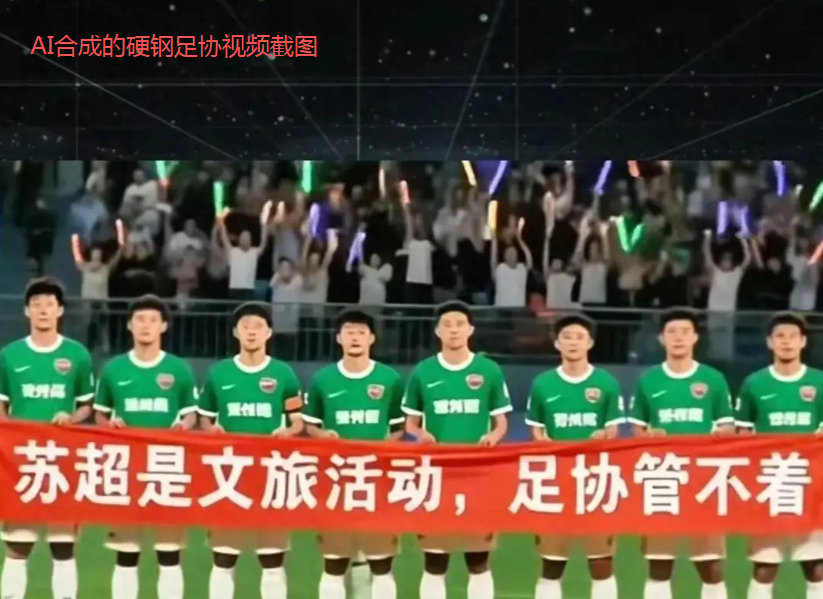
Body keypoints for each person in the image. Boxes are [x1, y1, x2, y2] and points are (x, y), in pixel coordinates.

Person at [402, 300, 512, 599]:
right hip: (437, 474)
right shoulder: (423, 371)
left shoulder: (488, 370)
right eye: (447, 325)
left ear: (470, 330)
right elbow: (411, 423)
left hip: (478, 473)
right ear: (438, 331)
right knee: (435, 559)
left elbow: (501, 421)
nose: (453, 330)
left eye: (459, 324)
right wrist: (420, 434)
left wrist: (494, 435)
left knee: (478, 558)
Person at [93, 294, 198, 599]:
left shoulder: (179, 369)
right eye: (140, 319)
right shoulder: (113, 369)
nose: (146, 325)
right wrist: (108, 424)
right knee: (126, 553)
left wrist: (184, 425)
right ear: (129, 325)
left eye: (153, 320)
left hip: (167, 468)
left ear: (163, 326)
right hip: (127, 468)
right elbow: (100, 413)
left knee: (169, 553)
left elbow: (191, 413)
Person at [625, 307, 734, 599]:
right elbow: (637, 428)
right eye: (672, 332)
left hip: (704, 480)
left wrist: (714, 437)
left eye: (685, 332)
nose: (678, 338)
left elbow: (728, 426)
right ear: (661, 339)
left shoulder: (713, 379)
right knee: (659, 565)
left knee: (711, 565)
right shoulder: (649, 379)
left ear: (695, 337)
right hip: (663, 479)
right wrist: (648, 436)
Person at [197, 301, 304, 599]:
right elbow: (205, 418)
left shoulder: (284, 373)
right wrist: (211, 430)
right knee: (223, 557)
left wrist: (287, 431)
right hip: (229, 475)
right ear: (236, 332)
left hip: (270, 473)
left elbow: (297, 421)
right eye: (245, 326)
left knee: (272, 559)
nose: (252, 332)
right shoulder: (219, 373)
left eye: (258, 326)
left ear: (269, 332)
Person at [0, 277, 95, 599]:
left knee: (63, 544)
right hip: (21, 461)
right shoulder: (10, 355)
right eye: (37, 305)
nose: (43, 310)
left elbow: (87, 405)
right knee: (18, 543)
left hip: (63, 459)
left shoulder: (77, 354)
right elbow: (1, 404)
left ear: (60, 311)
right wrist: (9, 433)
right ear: (27, 311)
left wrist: (71, 418)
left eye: (49, 305)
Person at [302, 309, 405, 599]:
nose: (355, 338)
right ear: (339, 338)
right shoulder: (323, 379)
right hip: (336, 479)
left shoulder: (389, 379)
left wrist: (386, 445)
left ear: (372, 338)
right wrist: (323, 435)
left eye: (361, 332)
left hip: (377, 478)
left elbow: (399, 427)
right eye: (349, 332)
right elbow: (311, 425)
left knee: (381, 562)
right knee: (334, 561)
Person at [526, 313, 623, 599]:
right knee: (552, 563)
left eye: (579, 337)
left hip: (595, 480)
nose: (573, 342)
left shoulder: (606, 382)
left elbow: (613, 429)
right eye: (566, 337)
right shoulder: (543, 383)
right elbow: (536, 431)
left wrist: (603, 435)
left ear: (590, 343)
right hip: (556, 481)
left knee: (601, 562)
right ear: (557, 343)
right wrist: (547, 444)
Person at [735, 312, 823, 599]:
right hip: (769, 482)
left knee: (816, 566)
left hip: (811, 484)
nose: (786, 342)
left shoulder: (819, 382)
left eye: (793, 336)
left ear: (803, 342)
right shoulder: (754, 383)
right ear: (769, 342)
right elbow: (742, 434)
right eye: (780, 336)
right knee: (765, 567)